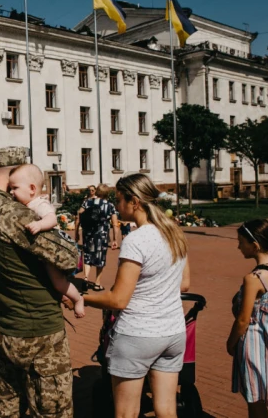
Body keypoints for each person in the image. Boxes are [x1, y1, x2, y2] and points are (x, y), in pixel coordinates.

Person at [0, 146, 78, 417]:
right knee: (51, 411)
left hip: (5, 325)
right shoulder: (11, 213)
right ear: (14, 177)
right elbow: (68, 257)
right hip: (39, 332)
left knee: (6, 407)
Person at [83, 173, 191, 418]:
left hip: (138, 334)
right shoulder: (174, 233)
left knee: (126, 414)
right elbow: (184, 284)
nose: (116, 206)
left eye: (119, 200)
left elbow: (118, 300)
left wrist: (82, 298)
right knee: (166, 410)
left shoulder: (136, 240)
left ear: (134, 201)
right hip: (173, 331)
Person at [227, 219, 268, 417]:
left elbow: (242, 320)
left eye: (241, 242)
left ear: (254, 246)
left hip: (255, 346)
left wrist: (230, 343)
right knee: (261, 401)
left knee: (254, 402)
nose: (238, 246)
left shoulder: (253, 279)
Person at [8, 164, 84, 318]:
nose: (11, 192)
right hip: (43, 251)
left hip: (52, 251)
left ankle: (78, 299)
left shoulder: (39, 204)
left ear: (32, 189)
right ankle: (65, 296)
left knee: (58, 282)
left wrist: (39, 225)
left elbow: (52, 219)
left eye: (15, 188)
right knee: (51, 282)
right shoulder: (25, 205)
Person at [75, 184, 121, 291]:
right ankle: (97, 283)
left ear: (97, 192)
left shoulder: (87, 202)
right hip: (102, 235)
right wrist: (115, 239)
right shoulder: (109, 205)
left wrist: (77, 231)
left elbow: (78, 216)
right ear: (107, 193)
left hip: (88, 234)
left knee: (87, 255)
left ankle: (85, 278)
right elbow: (115, 224)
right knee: (100, 257)